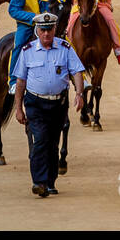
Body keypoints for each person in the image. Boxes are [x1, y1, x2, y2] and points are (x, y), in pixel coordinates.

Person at [11, 11, 86, 197]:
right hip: (35, 103)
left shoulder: (65, 48)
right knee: (41, 140)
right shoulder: (27, 51)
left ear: (54, 29)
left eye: (49, 30)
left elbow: (77, 72)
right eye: (42, 30)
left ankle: (50, 182)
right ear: (37, 30)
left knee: (53, 143)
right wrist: (18, 108)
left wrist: (79, 93)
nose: (46, 34)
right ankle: (39, 182)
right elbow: (20, 82)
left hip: (58, 104)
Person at [8, 0, 68, 87]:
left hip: (49, 24)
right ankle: (13, 81)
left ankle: (79, 75)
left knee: (68, 41)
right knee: (19, 45)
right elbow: (12, 10)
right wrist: (32, 17)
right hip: (28, 25)